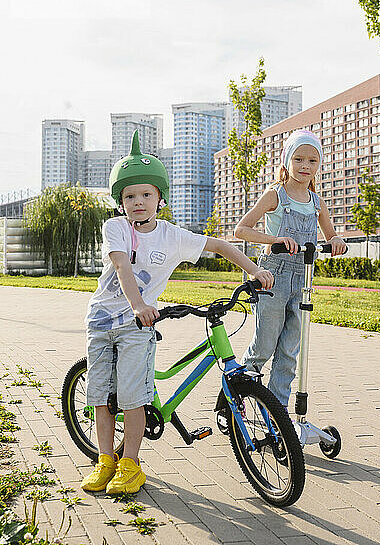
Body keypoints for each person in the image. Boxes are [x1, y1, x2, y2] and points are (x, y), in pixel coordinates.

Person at [80, 130, 274, 495]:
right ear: (121, 202)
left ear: (160, 198)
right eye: (130, 196)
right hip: (104, 320)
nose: (138, 201)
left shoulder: (173, 236)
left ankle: (130, 464)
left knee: (133, 396)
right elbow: (122, 266)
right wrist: (139, 304)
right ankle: (105, 459)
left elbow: (218, 244)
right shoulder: (116, 227)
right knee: (101, 397)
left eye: (146, 194)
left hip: (138, 325)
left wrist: (254, 270)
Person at [235, 129, 346, 408]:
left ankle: (276, 415)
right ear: (286, 161)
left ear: (319, 165)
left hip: (304, 279)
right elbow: (242, 230)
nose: (305, 166)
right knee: (264, 346)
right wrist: (274, 240)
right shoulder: (275, 195)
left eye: (312, 161)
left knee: (288, 352)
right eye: (298, 159)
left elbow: (330, 236)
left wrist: (337, 241)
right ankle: (234, 403)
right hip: (274, 275)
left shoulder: (317, 203)